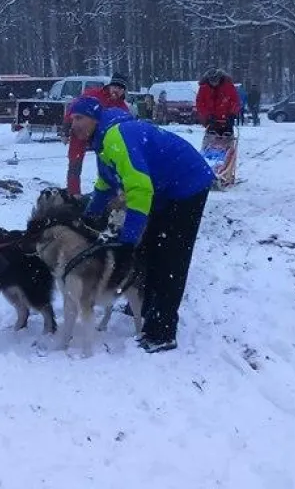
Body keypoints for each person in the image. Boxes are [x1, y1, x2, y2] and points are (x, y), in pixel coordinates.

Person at [67, 96, 215, 353]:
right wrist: (88, 216)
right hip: (165, 187)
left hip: (187, 184)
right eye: (72, 119)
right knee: (150, 248)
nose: (74, 124)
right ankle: (147, 307)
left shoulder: (115, 137)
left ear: (93, 117)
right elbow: (105, 183)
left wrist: (127, 239)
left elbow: (139, 189)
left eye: (79, 118)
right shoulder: (102, 140)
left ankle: (163, 332)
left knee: (171, 256)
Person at [62, 72, 131, 196]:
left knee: (108, 166)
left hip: (103, 140)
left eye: (120, 89)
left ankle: (110, 194)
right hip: (80, 133)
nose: (116, 90)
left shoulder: (122, 107)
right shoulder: (93, 94)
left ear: (124, 91)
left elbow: (126, 125)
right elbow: (73, 110)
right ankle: (73, 194)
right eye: (115, 86)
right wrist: (65, 130)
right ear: (109, 86)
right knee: (75, 164)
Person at [195, 68, 241, 136]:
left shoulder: (228, 86)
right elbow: (200, 104)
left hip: (227, 119)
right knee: (211, 139)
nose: (214, 83)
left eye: (216, 80)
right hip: (211, 121)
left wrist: (232, 114)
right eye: (211, 81)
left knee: (227, 139)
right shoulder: (204, 88)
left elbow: (235, 101)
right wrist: (207, 115)